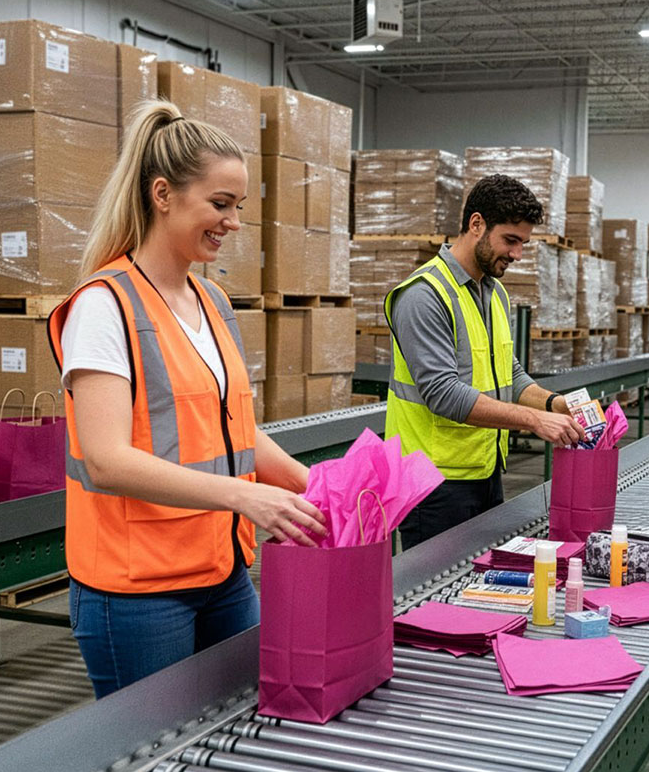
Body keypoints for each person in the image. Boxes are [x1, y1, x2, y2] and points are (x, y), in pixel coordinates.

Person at [48, 101, 326, 698]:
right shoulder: (105, 307)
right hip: (138, 590)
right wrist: (246, 497)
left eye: (239, 208)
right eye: (219, 205)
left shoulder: (212, 303)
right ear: (162, 195)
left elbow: (233, 433)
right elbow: (106, 459)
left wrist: (320, 490)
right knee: (147, 768)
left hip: (221, 571)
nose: (232, 222)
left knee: (244, 727)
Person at [385, 174, 586, 549]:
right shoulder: (424, 295)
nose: (517, 254)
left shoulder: (494, 293)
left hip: (485, 472)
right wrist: (535, 421)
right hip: (433, 484)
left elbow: (507, 373)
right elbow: (443, 394)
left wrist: (554, 404)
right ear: (476, 224)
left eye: (523, 243)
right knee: (436, 600)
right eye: (510, 240)